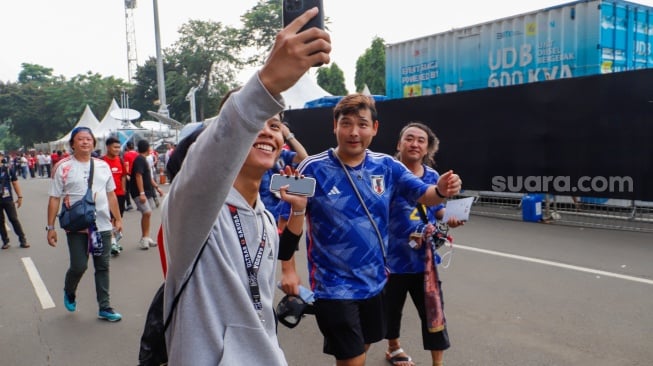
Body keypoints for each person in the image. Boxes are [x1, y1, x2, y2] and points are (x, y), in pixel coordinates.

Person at [162, 8, 330, 365]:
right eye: (259, 122)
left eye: (276, 126)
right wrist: (267, 83)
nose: (269, 130)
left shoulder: (266, 217)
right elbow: (209, 161)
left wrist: (297, 210)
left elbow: (285, 246)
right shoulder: (193, 209)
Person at [280, 94, 462, 366]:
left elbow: (425, 194)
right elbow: (288, 214)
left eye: (362, 124)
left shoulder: (387, 166)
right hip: (334, 287)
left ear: (374, 129)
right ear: (335, 126)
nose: (354, 132)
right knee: (352, 357)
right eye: (347, 124)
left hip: (376, 282)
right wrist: (288, 270)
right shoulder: (312, 168)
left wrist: (441, 190)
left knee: (362, 347)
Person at [384, 122, 464, 366]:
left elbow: (438, 209)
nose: (414, 143)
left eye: (421, 140)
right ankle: (394, 348)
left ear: (428, 148)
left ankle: (437, 363)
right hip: (390, 260)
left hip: (424, 261)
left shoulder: (432, 177)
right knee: (390, 311)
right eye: (409, 138)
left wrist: (451, 217)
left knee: (433, 312)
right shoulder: (386, 173)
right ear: (399, 144)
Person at [46, 127, 124, 321]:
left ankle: (105, 307)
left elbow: (111, 194)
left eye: (88, 139)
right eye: (80, 139)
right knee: (79, 266)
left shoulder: (103, 166)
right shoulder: (63, 167)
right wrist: (50, 228)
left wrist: (118, 218)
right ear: (72, 143)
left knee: (103, 266)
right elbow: (55, 198)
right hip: (76, 225)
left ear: (93, 143)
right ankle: (69, 290)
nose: (85, 142)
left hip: (102, 225)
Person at [259, 119, 308, 228]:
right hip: (261, 220)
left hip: (281, 219)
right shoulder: (254, 157)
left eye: (275, 128)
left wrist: (289, 135)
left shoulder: (283, 155)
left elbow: (304, 158)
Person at [129, 139, 164, 249]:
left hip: (147, 191)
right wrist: (142, 193)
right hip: (139, 192)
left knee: (147, 214)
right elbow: (138, 175)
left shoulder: (143, 159)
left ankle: (146, 237)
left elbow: (148, 177)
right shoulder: (139, 159)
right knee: (147, 212)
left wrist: (157, 188)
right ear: (147, 148)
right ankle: (144, 239)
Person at [102, 136, 127, 255]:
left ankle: (114, 240)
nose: (117, 149)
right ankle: (112, 242)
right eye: (115, 147)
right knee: (109, 219)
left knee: (118, 218)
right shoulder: (101, 162)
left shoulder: (120, 160)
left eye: (119, 147)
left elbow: (123, 176)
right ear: (108, 147)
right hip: (106, 196)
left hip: (119, 195)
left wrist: (123, 190)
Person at [0, 151, 29, 249]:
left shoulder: (8, 169)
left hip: (8, 199)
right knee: (0, 221)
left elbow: (15, 183)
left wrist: (20, 197)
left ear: (2, 157)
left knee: (13, 219)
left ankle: (22, 240)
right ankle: (5, 241)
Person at [123, 141, 138, 211]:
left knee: (127, 190)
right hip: (137, 173)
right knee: (138, 189)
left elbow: (126, 164)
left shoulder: (126, 154)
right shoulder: (137, 154)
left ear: (127, 147)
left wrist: (126, 174)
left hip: (129, 174)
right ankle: (139, 204)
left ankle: (129, 204)